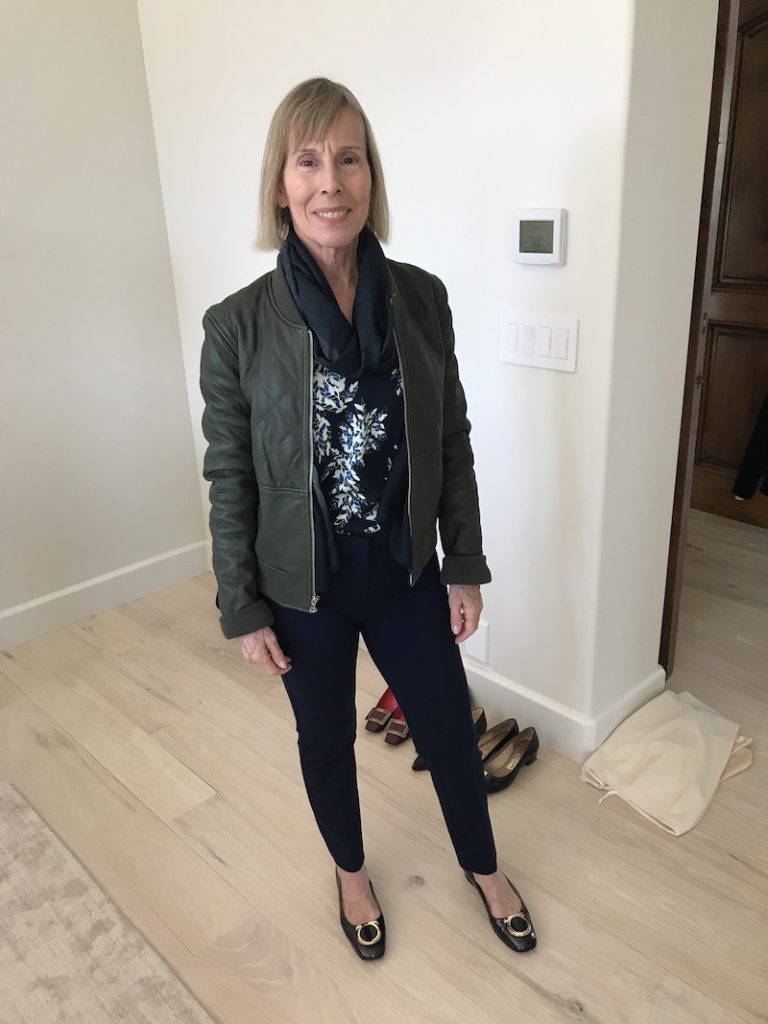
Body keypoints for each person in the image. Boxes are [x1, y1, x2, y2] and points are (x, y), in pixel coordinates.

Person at [199, 77, 537, 960]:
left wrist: (465, 562)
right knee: (325, 740)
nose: (330, 182)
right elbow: (229, 474)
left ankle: (483, 866)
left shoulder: (421, 298)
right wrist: (241, 605)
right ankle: (351, 872)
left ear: (371, 177)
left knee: (448, 730)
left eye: (348, 159)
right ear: (280, 185)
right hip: (301, 586)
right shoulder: (236, 326)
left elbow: (451, 438)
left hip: (404, 570)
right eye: (307, 161)